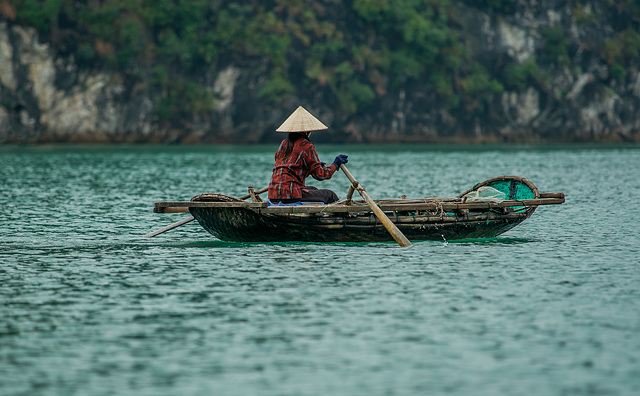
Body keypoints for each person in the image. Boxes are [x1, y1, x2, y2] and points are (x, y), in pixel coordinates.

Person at [268, 106, 348, 204]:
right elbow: (321, 175)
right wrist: (335, 164)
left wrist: (309, 169)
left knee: (313, 189)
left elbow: (291, 169)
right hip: (291, 195)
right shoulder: (307, 146)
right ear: (306, 132)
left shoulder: (283, 144)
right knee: (330, 195)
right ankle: (335, 218)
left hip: (273, 193)